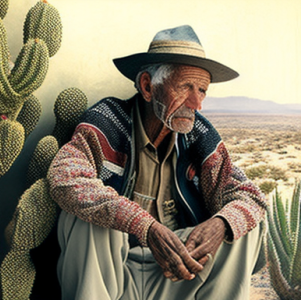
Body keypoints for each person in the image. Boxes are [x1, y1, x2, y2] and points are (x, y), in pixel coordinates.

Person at [47, 25, 267, 300]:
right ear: (148, 87)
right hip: (114, 272)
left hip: (176, 274)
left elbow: (251, 196)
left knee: (242, 224)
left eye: (202, 90)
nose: (197, 103)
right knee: (87, 218)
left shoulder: (200, 135)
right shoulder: (108, 120)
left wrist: (221, 223)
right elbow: (65, 177)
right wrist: (143, 225)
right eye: (186, 86)